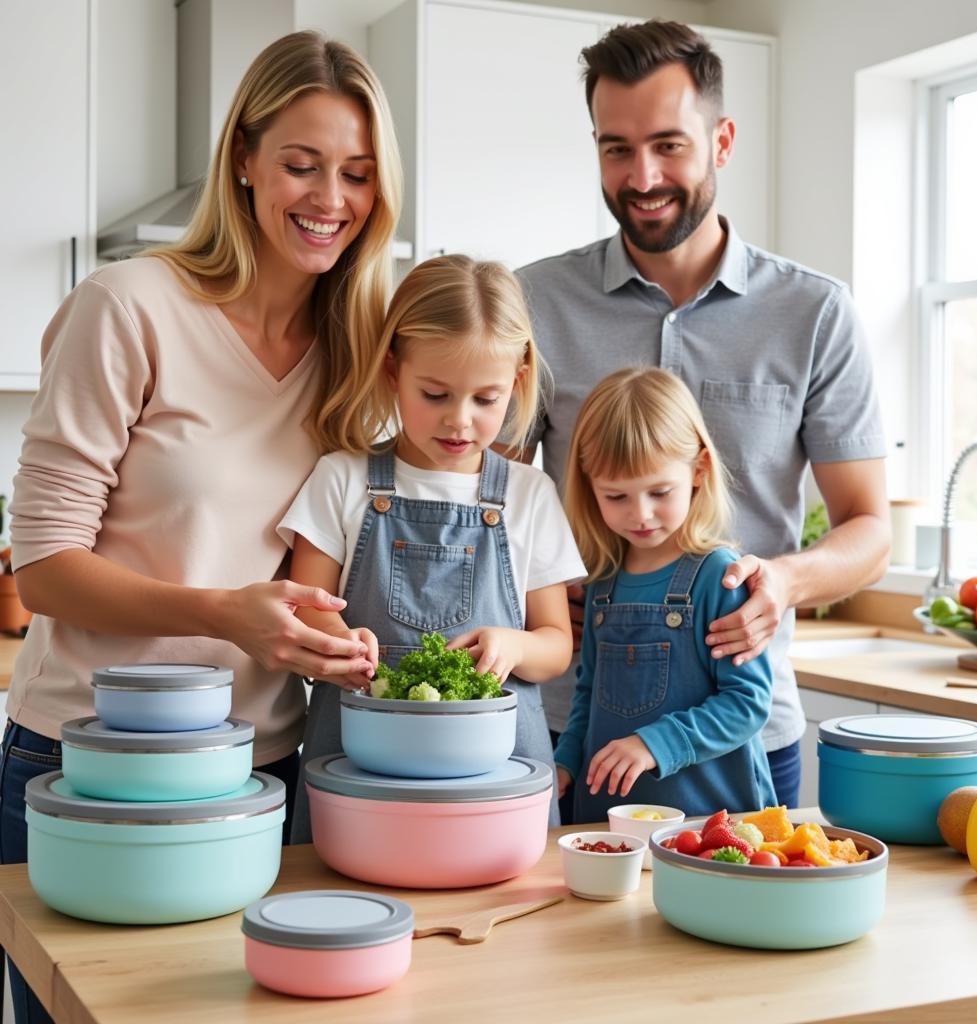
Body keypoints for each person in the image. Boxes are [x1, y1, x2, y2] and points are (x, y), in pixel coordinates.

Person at [0, 31, 401, 1024]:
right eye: (301, 164)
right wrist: (226, 612)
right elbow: (45, 565)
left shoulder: (355, 352)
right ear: (244, 162)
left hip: (258, 768)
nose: (329, 197)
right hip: (85, 761)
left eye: (356, 173)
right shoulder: (127, 307)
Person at [515, 20, 890, 813]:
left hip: (745, 732)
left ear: (721, 140)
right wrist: (533, 592)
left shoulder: (815, 312)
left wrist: (780, 582)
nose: (642, 175)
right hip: (569, 733)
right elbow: (489, 501)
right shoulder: (533, 304)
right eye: (616, 148)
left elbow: (869, 529)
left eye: (668, 145)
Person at [280, 255, 585, 841]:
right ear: (393, 370)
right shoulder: (340, 478)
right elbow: (307, 602)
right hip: (359, 774)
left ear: (518, 381)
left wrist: (511, 644)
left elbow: (555, 647)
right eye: (436, 393)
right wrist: (342, 644)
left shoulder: (529, 494)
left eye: (485, 399)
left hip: (492, 783)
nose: (459, 421)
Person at [554, 368, 776, 822]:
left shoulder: (719, 575)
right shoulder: (603, 581)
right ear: (589, 484)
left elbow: (746, 703)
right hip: (607, 822)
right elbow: (588, 695)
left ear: (699, 471)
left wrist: (655, 743)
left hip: (708, 822)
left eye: (660, 491)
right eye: (616, 496)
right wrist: (565, 761)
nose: (641, 514)